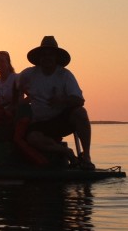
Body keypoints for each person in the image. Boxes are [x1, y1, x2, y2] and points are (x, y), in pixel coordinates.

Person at [18, 35, 95, 169]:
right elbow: (16, 86)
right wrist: (23, 101)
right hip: (40, 123)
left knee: (81, 113)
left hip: (61, 121)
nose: (47, 57)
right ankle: (67, 152)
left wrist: (62, 100)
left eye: (51, 54)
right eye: (44, 54)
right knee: (32, 138)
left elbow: (79, 100)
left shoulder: (65, 75)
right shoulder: (29, 74)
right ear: (39, 57)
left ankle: (86, 157)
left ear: (56, 57)